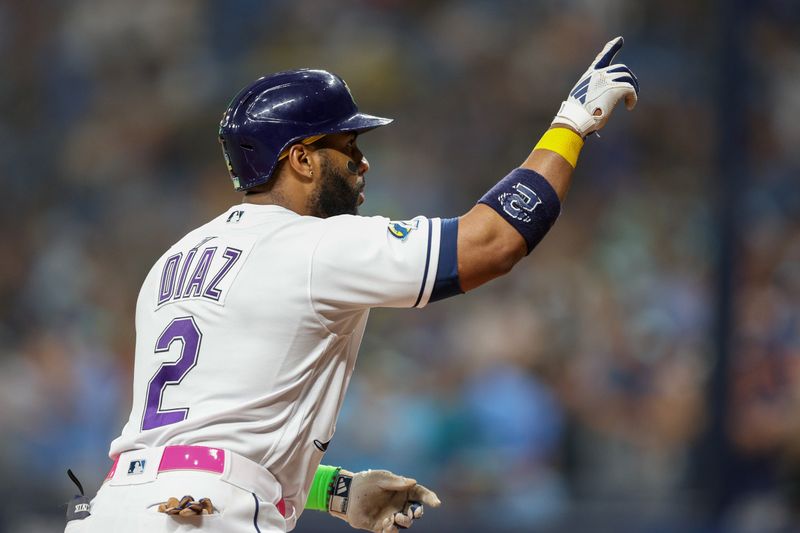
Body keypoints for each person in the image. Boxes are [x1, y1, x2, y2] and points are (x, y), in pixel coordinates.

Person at [64, 37, 638, 533]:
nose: (363, 164)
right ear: (301, 160)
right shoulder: (314, 245)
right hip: (209, 517)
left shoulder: (172, 263)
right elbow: (492, 242)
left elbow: (211, 438)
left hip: (119, 508)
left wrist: (335, 492)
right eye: (348, 148)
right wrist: (572, 123)